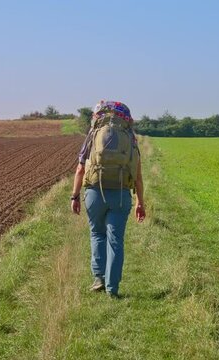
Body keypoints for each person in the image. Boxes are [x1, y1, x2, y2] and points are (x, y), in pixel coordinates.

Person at [70, 100, 146, 298]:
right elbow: (137, 175)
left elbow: (80, 169)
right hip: (121, 194)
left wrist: (75, 196)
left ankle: (99, 279)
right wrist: (140, 202)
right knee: (116, 240)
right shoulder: (130, 138)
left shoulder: (93, 136)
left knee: (97, 234)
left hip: (95, 192)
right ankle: (113, 289)